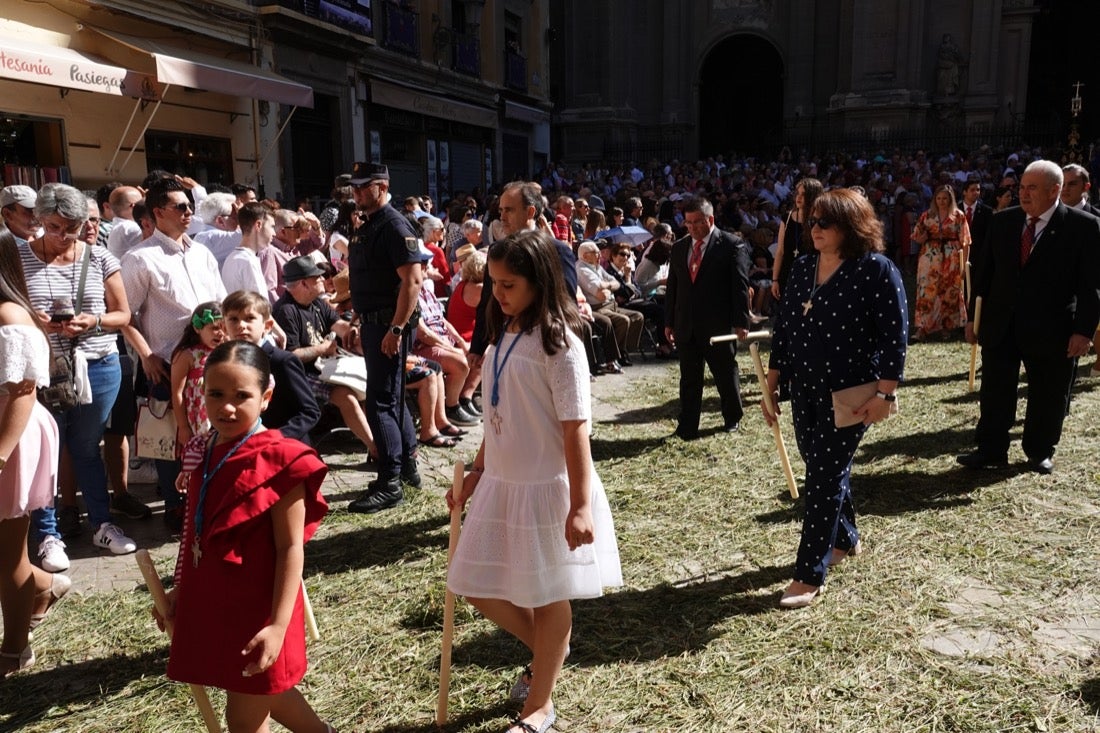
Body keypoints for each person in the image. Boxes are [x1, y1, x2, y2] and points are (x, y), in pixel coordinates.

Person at [446, 229, 622, 733]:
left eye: (509, 285)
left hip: (547, 487)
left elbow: (575, 429)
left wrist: (580, 504)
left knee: (548, 594)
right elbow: (496, 410)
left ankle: (539, 705)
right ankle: (549, 651)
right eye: (495, 284)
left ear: (539, 282)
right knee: (473, 582)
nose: (498, 295)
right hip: (503, 482)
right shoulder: (506, 332)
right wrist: (478, 470)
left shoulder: (560, 344)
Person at [157, 341, 333, 732]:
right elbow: (197, 533)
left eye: (242, 396)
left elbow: (290, 549)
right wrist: (180, 588)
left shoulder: (281, 459)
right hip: (220, 602)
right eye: (216, 394)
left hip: (262, 609)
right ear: (201, 393)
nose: (227, 407)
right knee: (262, 687)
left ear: (266, 396)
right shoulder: (205, 450)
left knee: (246, 715)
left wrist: (278, 625)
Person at [762, 189, 908, 608]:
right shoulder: (804, 265)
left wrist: (886, 393)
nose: (815, 229)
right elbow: (785, 330)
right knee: (821, 465)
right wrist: (771, 385)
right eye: (812, 222)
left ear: (850, 224)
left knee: (822, 477)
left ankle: (809, 573)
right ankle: (845, 538)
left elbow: (895, 337)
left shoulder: (876, 270)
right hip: (804, 391)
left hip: (851, 395)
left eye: (824, 222)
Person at [958, 160, 1100, 475]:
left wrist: (1084, 331)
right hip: (1001, 324)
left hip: (1053, 328)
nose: (1023, 194)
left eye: (1032, 188)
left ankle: (1039, 451)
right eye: (1021, 187)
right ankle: (991, 448)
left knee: (1048, 392)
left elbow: (1092, 286)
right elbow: (983, 274)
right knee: (995, 390)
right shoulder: (1003, 222)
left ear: (1055, 190)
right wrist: (973, 318)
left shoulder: (1083, 227)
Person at [21, 183, 137, 556]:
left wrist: (94, 321)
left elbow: (123, 314)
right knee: (45, 450)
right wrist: (32, 321)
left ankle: (102, 524)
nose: (62, 236)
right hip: (40, 368)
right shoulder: (17, 257)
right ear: (39, 220)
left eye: (71, 227)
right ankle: (47, 534)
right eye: (53, 226)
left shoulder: (100, 257)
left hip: (97, 365)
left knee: (87, 447)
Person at [120, 178, 227, 532]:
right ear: (157, 213)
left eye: (189, 206)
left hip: (211, 359)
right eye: (180, 207)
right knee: (171, 436)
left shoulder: (202, 253)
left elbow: (221, 303)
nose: (188, 212)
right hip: (166, 361)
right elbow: (125, 316)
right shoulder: (139, 258)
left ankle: (210, 493)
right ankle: (174, 503)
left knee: (210, 427)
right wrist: (147, 355)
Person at [0, 225, 71, 677]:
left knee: (6, 553)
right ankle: (45, 585)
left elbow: (24, 390)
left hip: (11, 434)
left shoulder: (9, 315)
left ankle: (15, 648)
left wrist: (1, 453)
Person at [346, 162, 423, 513]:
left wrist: (396, 328)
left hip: (388, 325)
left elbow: (413, 281)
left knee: (379, 401)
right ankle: (406, 470)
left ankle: (389, 480)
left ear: (381, 186)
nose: (357, 194)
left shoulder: (393, 224)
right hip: (374, 322)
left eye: (364, 187)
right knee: (391, 398)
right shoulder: (370, 224)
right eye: (355, 188)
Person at [664, 197, 752, 439]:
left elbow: (740, 287)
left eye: (697, 222)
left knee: (724, 373)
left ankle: (732, 417)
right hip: (686, 325)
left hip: (718, 325)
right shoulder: (680, 247)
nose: (691, 227)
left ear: (710, 219)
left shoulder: (731, 245)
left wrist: (741, 322)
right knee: (689, 379)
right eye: (688, 222)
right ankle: (687, 426)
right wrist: (669, 321)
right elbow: (674, 286)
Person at [910, 184, 971, 340]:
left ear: (950, 199)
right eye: (939, 198)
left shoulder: (959, 216)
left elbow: (965, 241)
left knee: (949, 291)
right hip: (930, 255)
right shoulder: (927, 215)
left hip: (951, 257)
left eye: (945, 198)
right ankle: (922, 328)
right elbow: (916, 236)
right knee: (926, 290)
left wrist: (965, 262)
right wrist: (921, 237)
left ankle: (946, 326)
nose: (942, 201)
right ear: (934, 199)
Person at [170, 302, 226, 450]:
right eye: (214, 328)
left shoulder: (226, 352)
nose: (220, 333)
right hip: (199, 420)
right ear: (197, 328)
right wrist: (183, 427)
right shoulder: (187, 355)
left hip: (222, 415)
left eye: (223, 328)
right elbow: (177, 392)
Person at [771, 178, 823, 301]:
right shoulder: (787, 218)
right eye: (797, 193)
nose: (799, 197)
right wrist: (775, 280)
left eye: (804, 194)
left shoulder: (819, 221)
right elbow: (780, 251)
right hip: (787, 273)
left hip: (810, 274)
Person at [221, 202, 273, 297]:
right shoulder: (247, 261)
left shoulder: (233, 258)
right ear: (258, 225)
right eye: (271, 226)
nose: (274, 233)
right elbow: (260, 307)